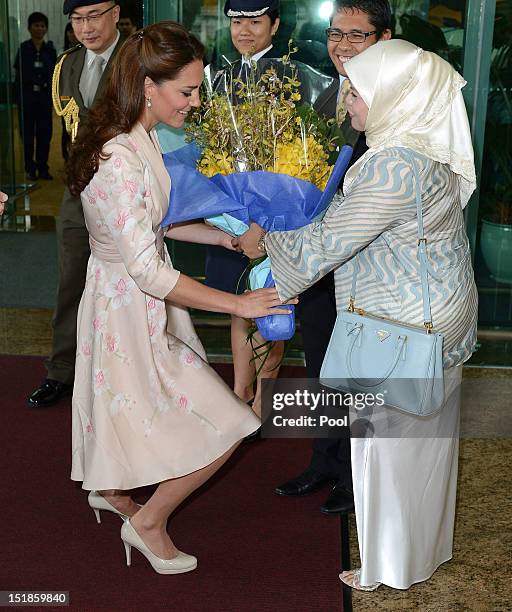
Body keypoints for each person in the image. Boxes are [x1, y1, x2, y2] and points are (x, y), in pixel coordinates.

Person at [239, 38, 477, 591]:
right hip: (442, 316)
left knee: (384, 453)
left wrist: (263, 238)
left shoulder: (391, 165)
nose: (346, 102)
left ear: (393, 96)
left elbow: (327, 245)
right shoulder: (427, 145)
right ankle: (425, 549)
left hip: (399, 327)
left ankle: (389, 564)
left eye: (356, 91)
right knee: (428, 450)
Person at [67, 21, 294, 573]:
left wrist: (222, 237)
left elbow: (153, 225)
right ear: (148, 85)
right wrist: (239, 305)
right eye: (187, 91)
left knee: (140, 408)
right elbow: (144, 264)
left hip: (127, 297)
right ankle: (145, 521)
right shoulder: (119, 156)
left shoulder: (134, 136)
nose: (195, 102)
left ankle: (114, 492)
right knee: (227, 423)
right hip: (128, 304)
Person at [274, 0, 391, 514]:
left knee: (359, 375)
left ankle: (355, 474)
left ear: (384, 38)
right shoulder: (324, 97)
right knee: (321, 365)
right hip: (320, 263)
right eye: (335, 33)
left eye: (356, 35)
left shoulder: (394, 102)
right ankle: (324, 461)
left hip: (369, 267)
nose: (342, 44)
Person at [28, 0, 124, 409]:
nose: (86, 27)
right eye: (77, 19)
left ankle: (124, 371)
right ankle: (61, 370)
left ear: (115, 14)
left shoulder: (138, 58)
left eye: (94, 16)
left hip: (126, 190)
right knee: (70, 280)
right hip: (78, 189)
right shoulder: (66, 65)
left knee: (130, 282)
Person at [205, 0, 284, 425]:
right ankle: (240, 392)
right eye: (237, 21)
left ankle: (264, 397)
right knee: (239, 302)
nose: (245, 30)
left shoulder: (293, 77)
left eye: (256, 21)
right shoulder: (216, 77)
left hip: (277, 219)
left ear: (275, 24)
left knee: (274, 305)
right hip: (230, 218)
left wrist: (267, 220)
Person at [14, 12, 57, 181]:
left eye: (42, 26)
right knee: (27, 134)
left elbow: (54, 75)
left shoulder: (50, 50)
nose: (39, 29)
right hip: (28, 97)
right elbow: (18, 76)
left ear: (46, 29)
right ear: (29, 28)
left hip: (45, 98)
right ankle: (29, 167)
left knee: (44, 133)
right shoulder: (24, 49)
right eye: (36, 25)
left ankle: (43, 167)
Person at [60, 23, 79, 161]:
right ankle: (68, 160)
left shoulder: (86, 52)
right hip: (65, 100)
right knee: (67, 131)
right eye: (70, 31)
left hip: (82, 100)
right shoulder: (62, 54)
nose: (73, 34)